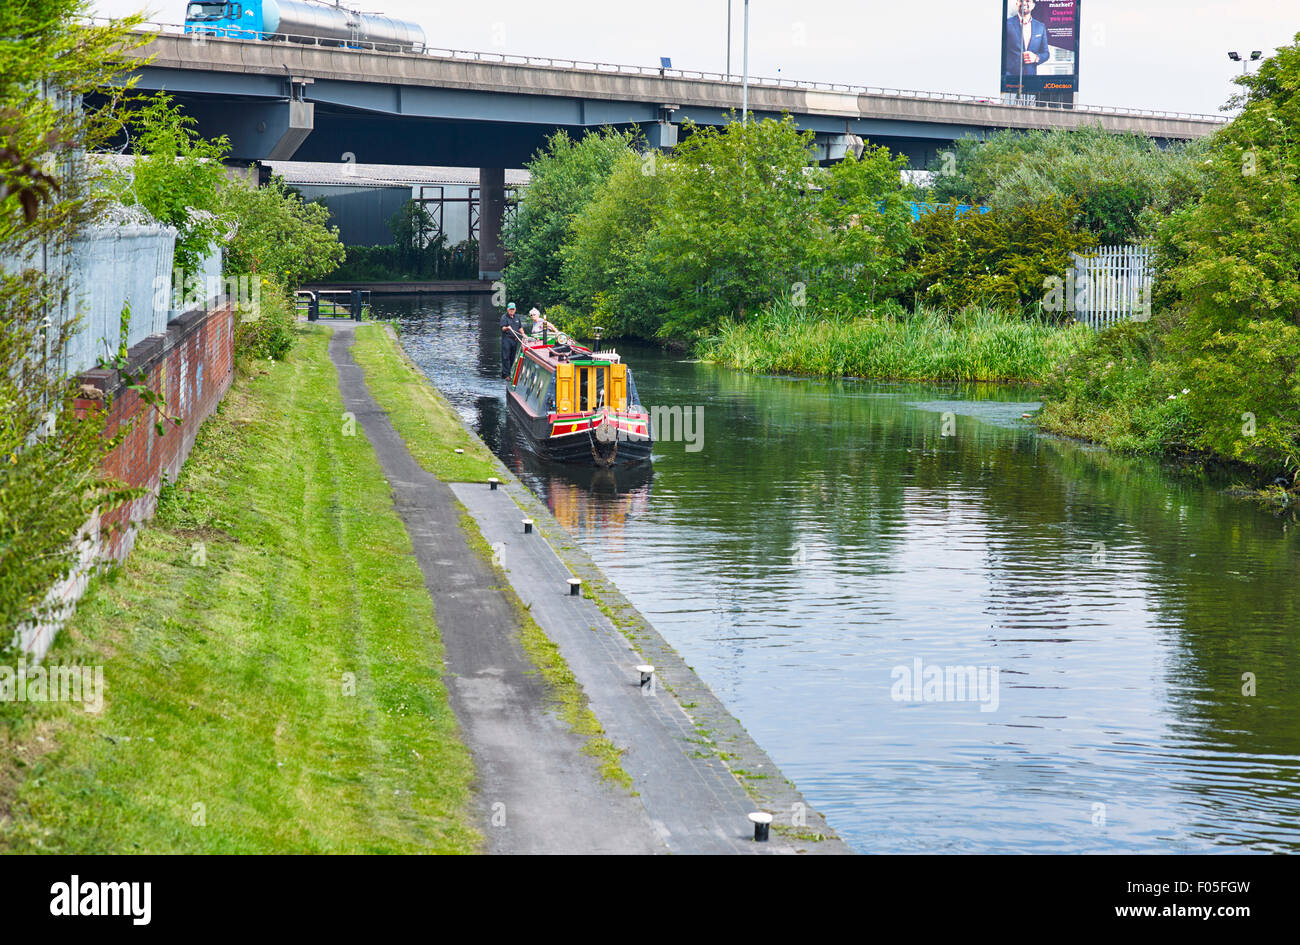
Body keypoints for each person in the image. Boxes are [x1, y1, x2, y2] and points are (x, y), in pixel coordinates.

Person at [1004, 0, 1050, 85]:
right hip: (1009, 79)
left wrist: (1036, 57)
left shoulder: (1040, 27)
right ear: (1017, 3)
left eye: (1028, 1)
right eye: (1021, 0)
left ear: (1033, 5)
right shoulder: (1006, 24)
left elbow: (1046, 53)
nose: (1024, 3)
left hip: (1031, 79)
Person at [500, 302, 522, 378]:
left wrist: (524, 335)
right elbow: (503, 328)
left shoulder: (517, 317)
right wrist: (507, 327)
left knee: (512, 357)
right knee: (506, 357)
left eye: (513, 309)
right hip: (507, 339)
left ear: (515, 309)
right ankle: (506, 374)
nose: (511, 311)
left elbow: (520, 327)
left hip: (515, 340)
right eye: (510, 309)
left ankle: (508, 372)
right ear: (507, 309)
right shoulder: (504, 317)